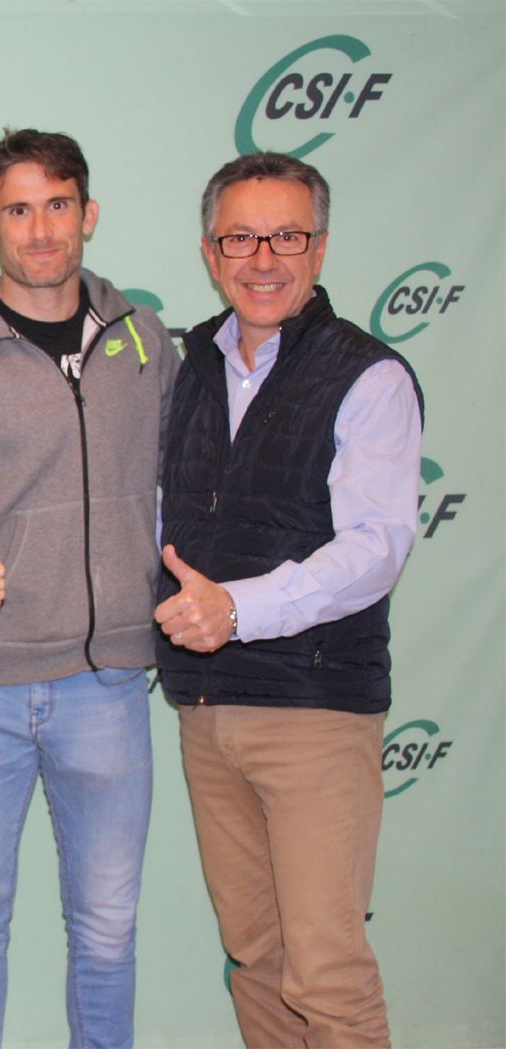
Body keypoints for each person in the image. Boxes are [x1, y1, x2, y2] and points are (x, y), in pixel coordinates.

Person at [0, 129, 178, 1048]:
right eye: (19, 209)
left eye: (58, 204)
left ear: (87, 215)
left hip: (108, 687)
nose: (41, 228)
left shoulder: (147, 345)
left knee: (108, 931)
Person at [155, 151, 422, 1049]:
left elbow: (375, 548)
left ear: (320, 246)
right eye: (240, 236)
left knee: (326, 968)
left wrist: (237, 608)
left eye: (287, 235)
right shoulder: (190, 366)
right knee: (255, 957)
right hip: (204, 708)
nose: (263, 257)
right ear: (209, 249)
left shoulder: (369, 375)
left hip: (313, 710)